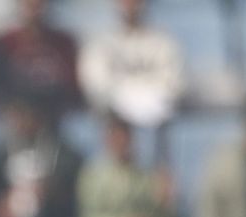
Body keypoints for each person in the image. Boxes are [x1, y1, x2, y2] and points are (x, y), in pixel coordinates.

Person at [77, 0, 183, 135]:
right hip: (113, 116)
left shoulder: (164, 42)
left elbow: (175, 84)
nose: (131, 5)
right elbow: (96, 85)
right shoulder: (100, 43)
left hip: (156, 120)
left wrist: (139, 93)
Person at [76, 112, 172, 217]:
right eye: (116, 136)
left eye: (125, 136)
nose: (121, 141)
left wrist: (163, 206)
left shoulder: (145, 176)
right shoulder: (93, 175)